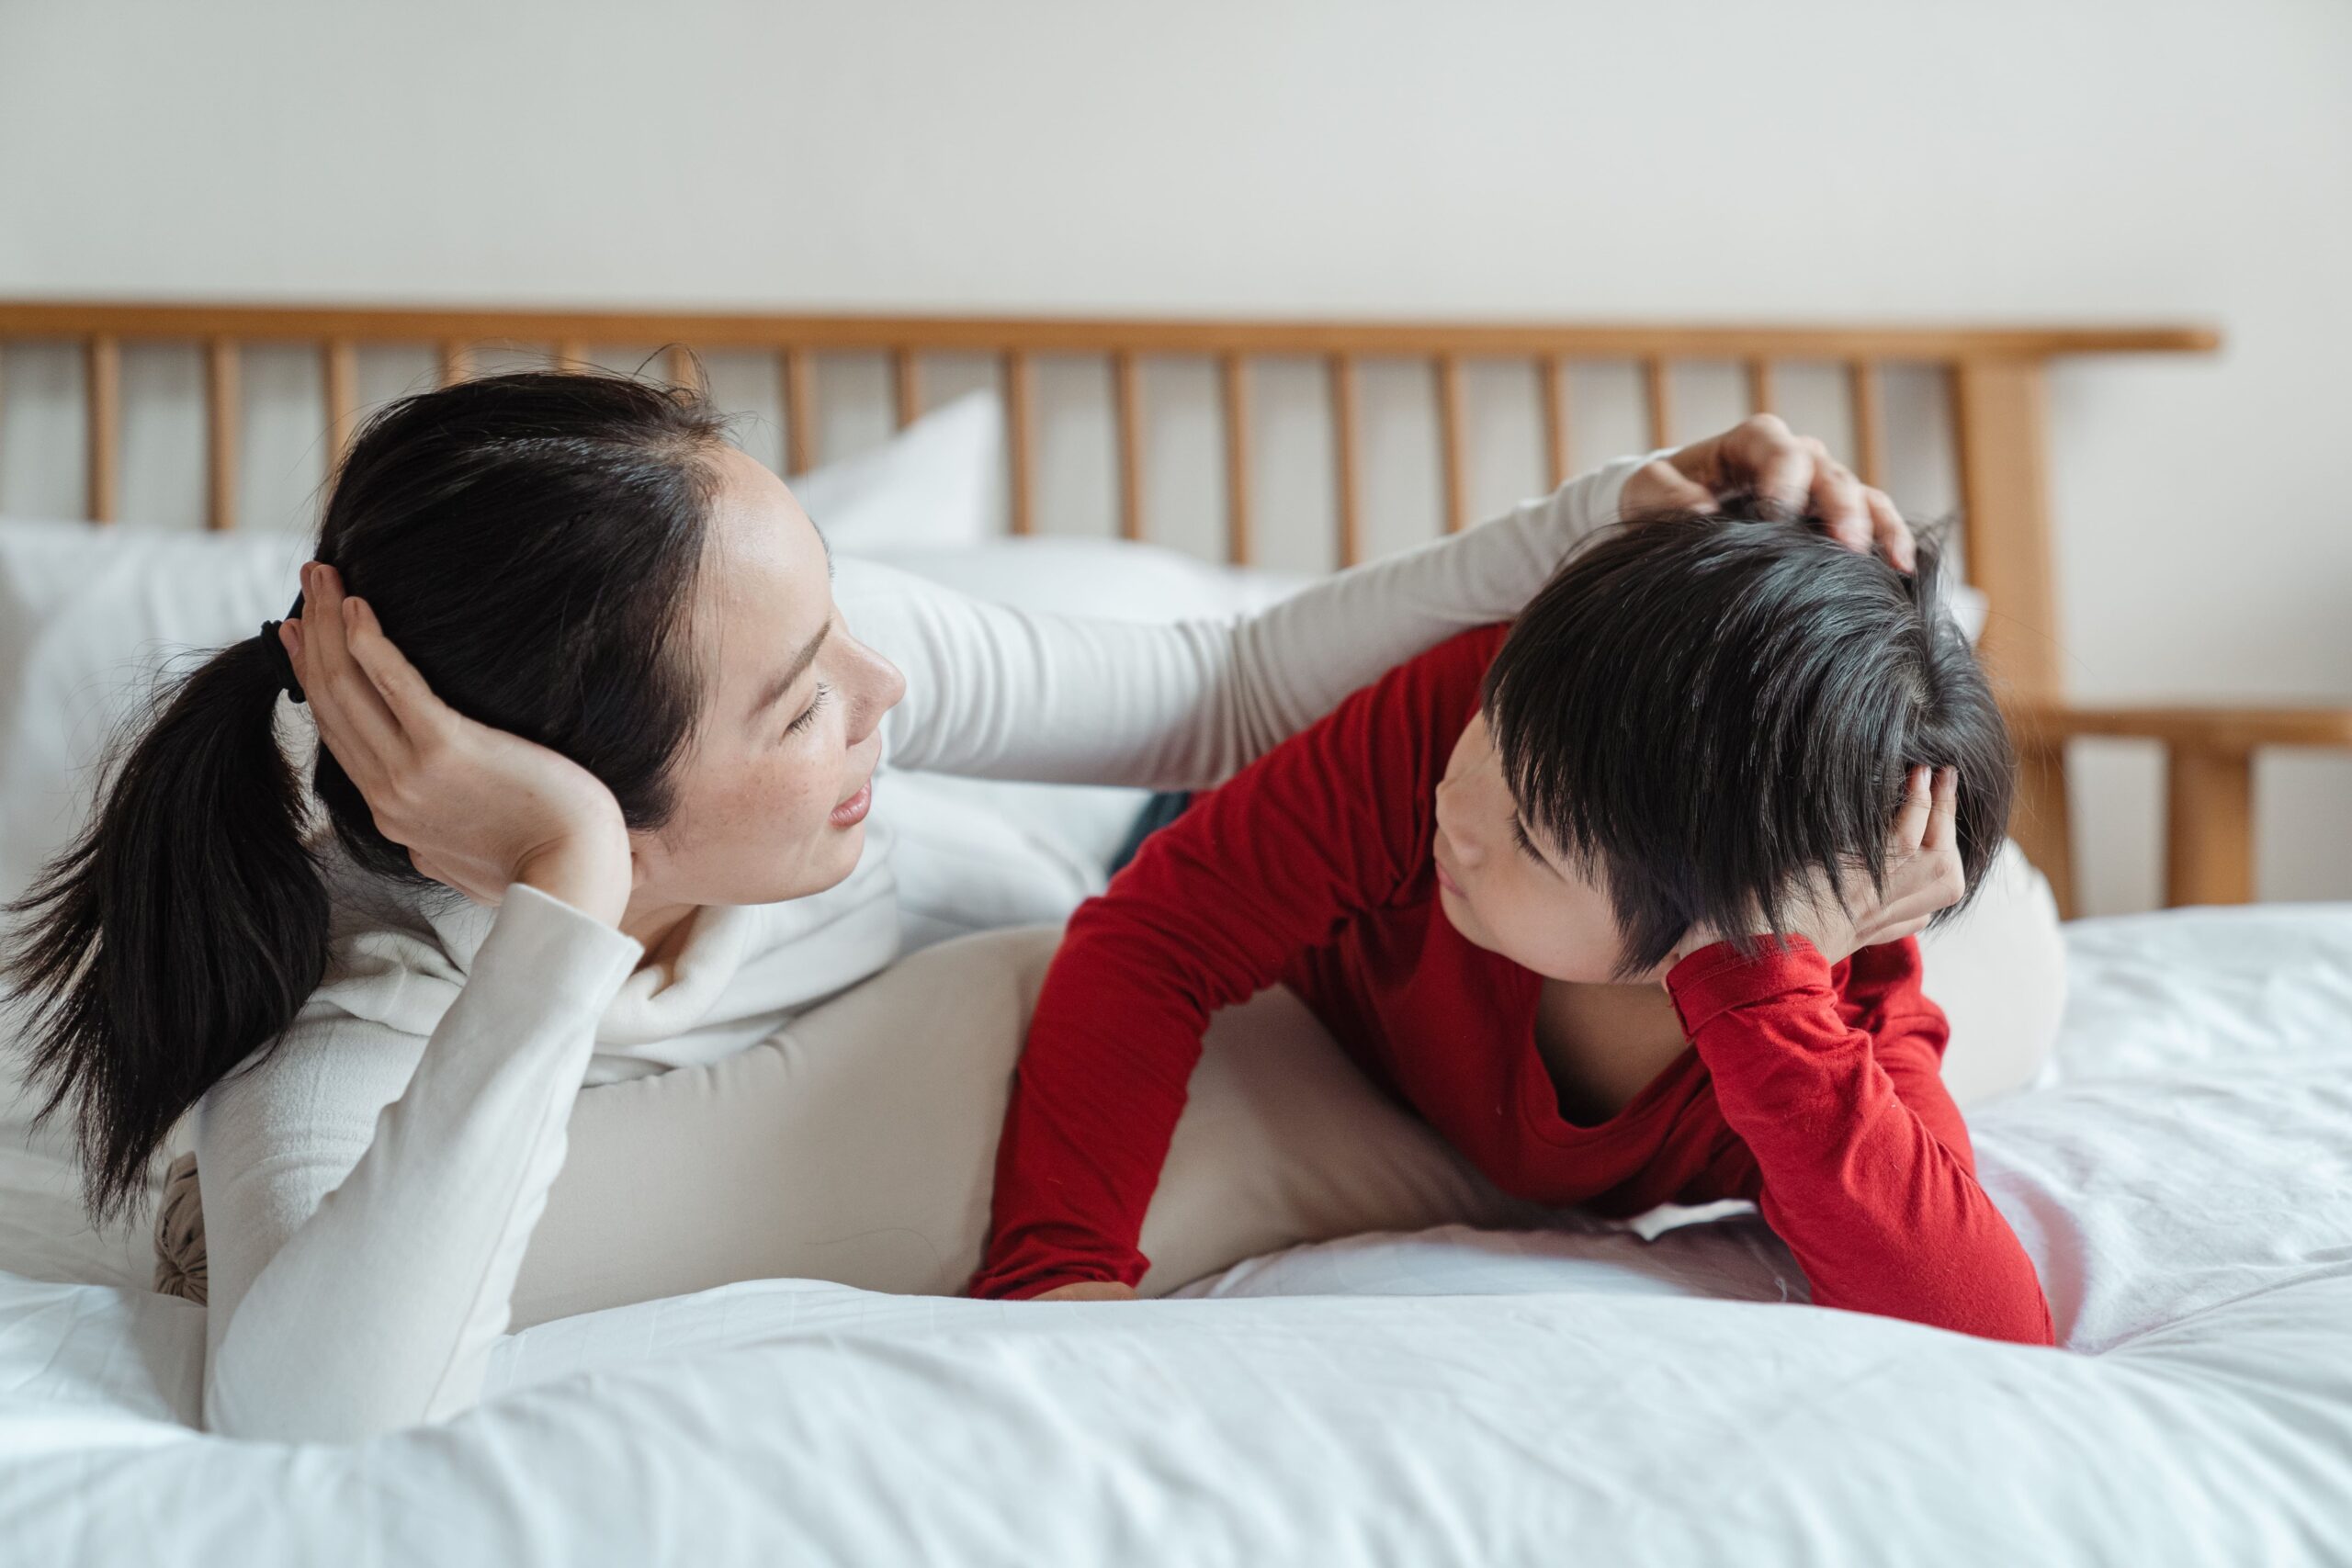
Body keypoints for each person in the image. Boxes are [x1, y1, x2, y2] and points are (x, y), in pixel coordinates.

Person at [1, 368, 1914, 1442]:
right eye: (800, 696)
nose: (887, 691)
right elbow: (309, 1413)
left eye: (842, 609)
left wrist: (1603, 528)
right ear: (590, 796)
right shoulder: (345, 1018)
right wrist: (567, 901)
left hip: (1179, 865)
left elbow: (1227, 689)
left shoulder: (826, 661)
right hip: (1127, 931)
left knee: (1890, 916)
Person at [968, 505, 2054, 1346]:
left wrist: (1763, 990)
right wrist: (1057, 1268)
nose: (1461, 806)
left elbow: (1993, 1333)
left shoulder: (1821, 1009)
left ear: (1719, 931)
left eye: (1534, 838)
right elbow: (1156, 934)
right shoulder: (1452, 725)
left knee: (2022, 946)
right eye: (1495, 724)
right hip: (1225, 822)